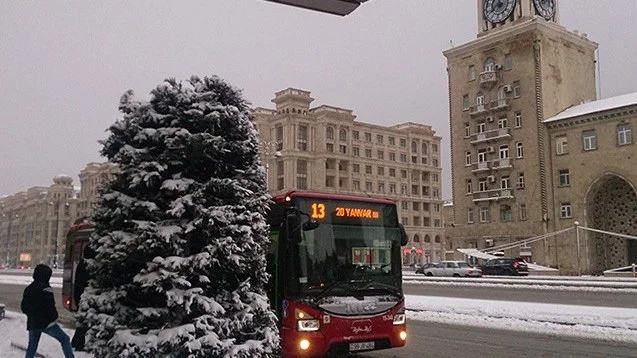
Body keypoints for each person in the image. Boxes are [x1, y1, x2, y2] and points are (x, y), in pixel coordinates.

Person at [21, 264, 75, 358]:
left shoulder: (28, 288)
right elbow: (50, 307)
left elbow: (23, 307)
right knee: (65, 339)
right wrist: (54, 317)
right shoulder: (46, 288)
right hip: (46, 323)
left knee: (32, 346)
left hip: (33, 323)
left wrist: (32, 315)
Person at [71, 245, 94, 351]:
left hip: (80, 297)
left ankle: (76, 342)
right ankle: (79, 344)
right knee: (84, 323)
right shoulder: (88, 266)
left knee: (82, 322)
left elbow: (77, 284)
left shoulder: (81, 264)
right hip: (86, 297)